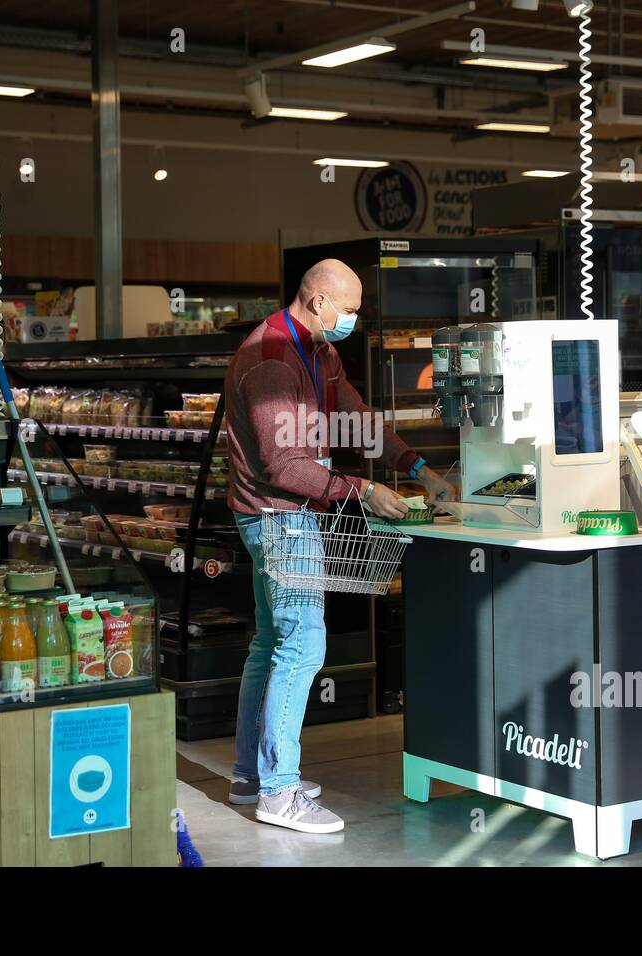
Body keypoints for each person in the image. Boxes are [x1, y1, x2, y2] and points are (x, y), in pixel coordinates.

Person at [223, 258, 457, 833]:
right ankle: (278, 793)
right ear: (319, 301)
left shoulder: (318, 352)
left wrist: (418, 466)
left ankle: (252, 774)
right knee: (300, 646)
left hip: (281, 518)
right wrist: (362, 489)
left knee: (271, 644)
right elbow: (284, 465)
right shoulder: (272, 360)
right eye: (350, 309)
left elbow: (357, 419)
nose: (355, 319)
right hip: (279, 518)